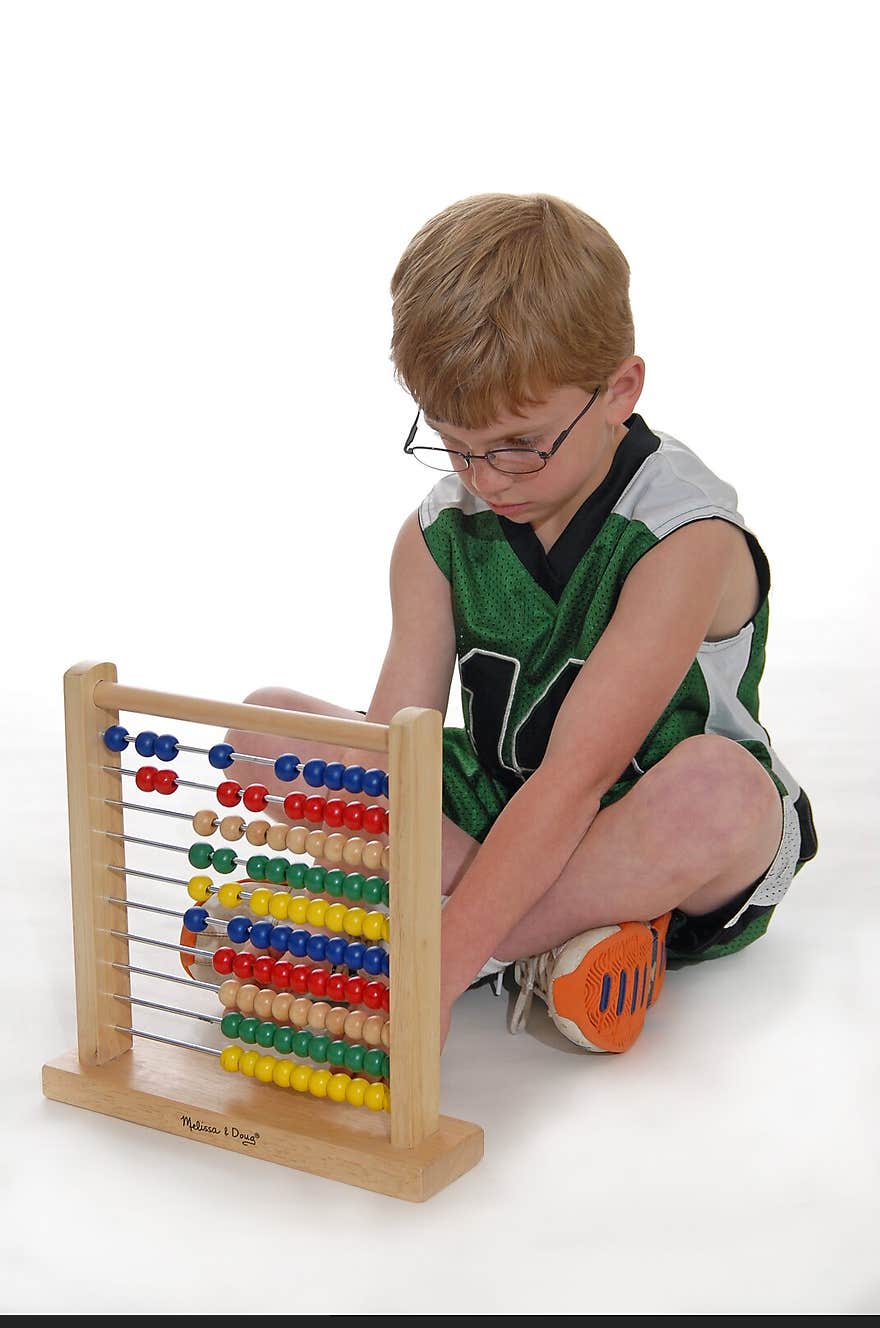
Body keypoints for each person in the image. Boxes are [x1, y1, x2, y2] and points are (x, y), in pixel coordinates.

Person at [227, 192, 818, 1055]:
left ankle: (460, 944)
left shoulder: (681, 535)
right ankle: (554, 947)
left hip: (656, 830)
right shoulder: (438, 530)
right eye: (455, 443)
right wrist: (365, 807)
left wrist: (426, 974)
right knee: (262, 729)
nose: (486, 476)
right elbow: (401, 751)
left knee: (721, 792)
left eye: (518, 443)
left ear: (619, 391)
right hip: (501, 811)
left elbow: (578, 780)